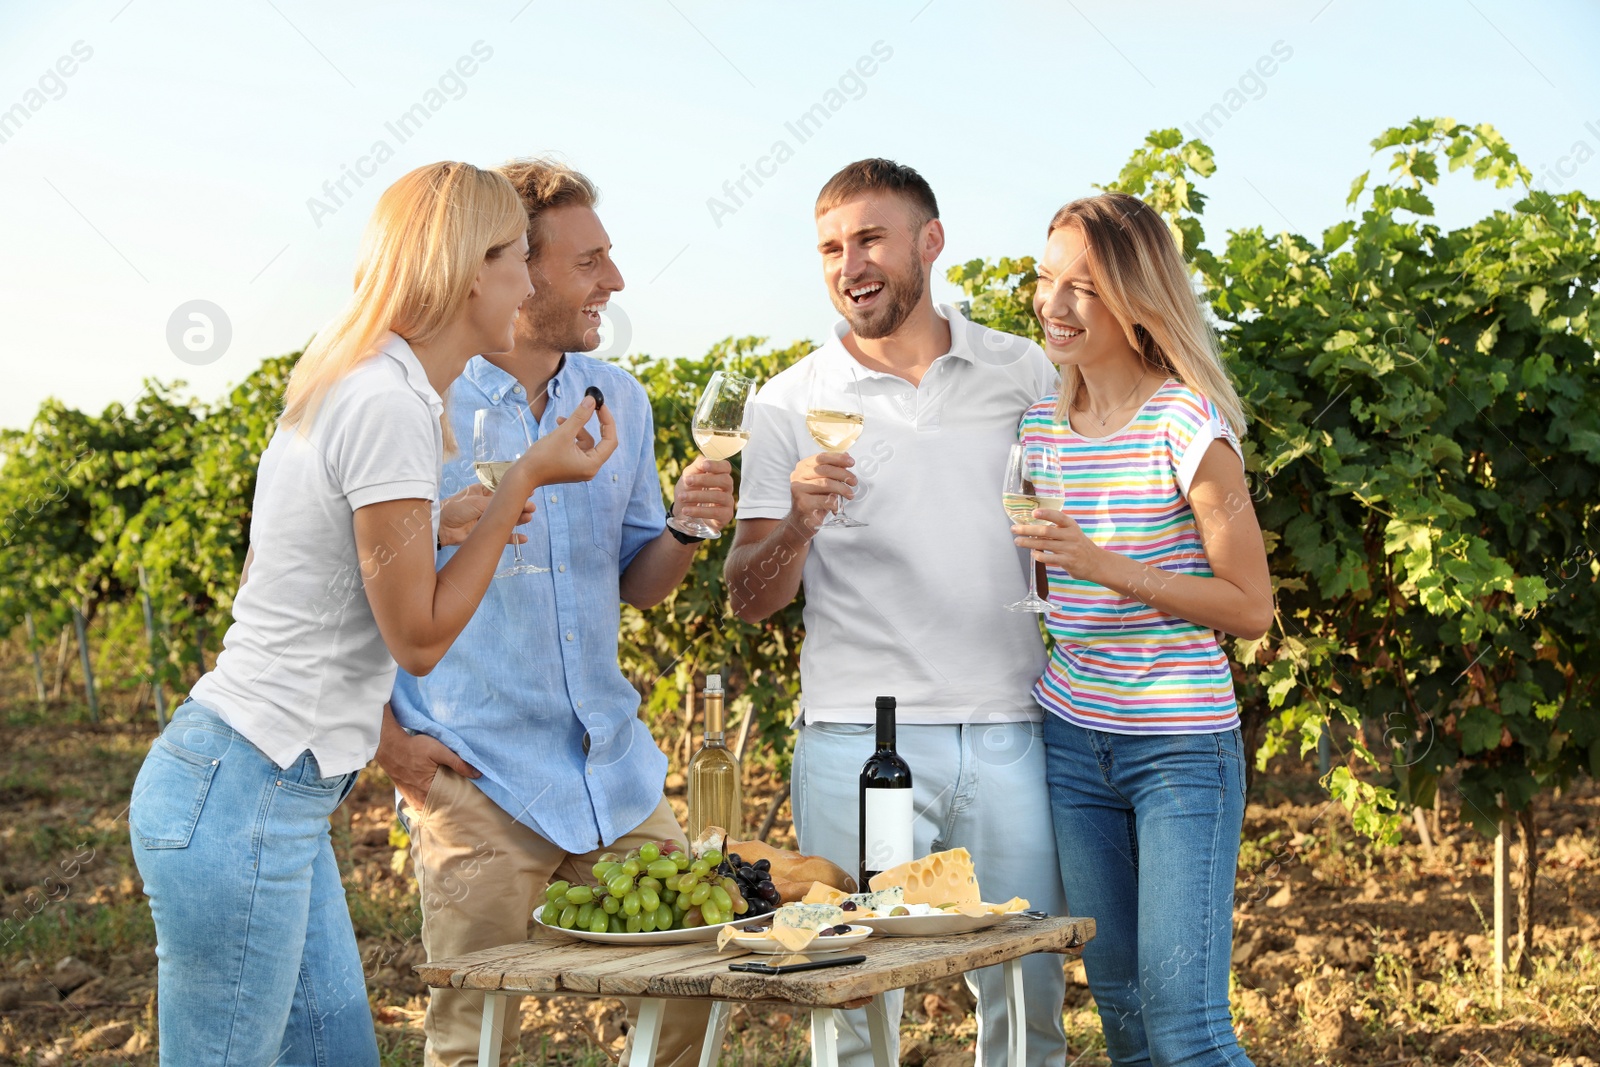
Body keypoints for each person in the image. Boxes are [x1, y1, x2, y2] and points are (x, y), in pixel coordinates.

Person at [128, 161, 618, 1067]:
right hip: (242, 793)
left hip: (268, 791)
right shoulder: (389, 402)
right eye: (516, 255)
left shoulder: (372, 380)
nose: (529, 278)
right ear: (472, 269)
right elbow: (419, 639)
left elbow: (359, 558)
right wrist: (521, 480)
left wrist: (449, 519)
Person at [381, 157, 734, 1067]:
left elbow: (636, 579)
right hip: (480, 774)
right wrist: (386, 739)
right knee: (474, 1035)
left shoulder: (619, 401)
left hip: (610, 766)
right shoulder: (416, 402)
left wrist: (689, 528)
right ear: (512, 267)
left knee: (701, 980)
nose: (613, 281)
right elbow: (340, 587)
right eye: (590, 262)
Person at [725, 158, 1068, 1067]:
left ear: (931, 241)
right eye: (831, 247)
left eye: (870, 238)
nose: (850, 264)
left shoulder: (1022, 370)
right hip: (855, 740)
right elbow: (750, 600)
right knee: (854, 1003)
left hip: (1013, 728)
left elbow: (1066, 516)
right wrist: (797, 519)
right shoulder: (786, 402)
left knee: (1029, 999)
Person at [1013, 191, 1273, 1066]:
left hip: (1179, 749)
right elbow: (1053, 586)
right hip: (1074, 741)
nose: (1055, 304)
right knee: (1121, 1013)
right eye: (1046, 280)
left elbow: (1251, 607)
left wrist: (1105, 564)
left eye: (1084, 287)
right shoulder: (1040, 429)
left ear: (1138, 297)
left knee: (1186, 1027)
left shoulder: (1188, 425)